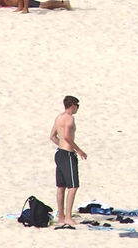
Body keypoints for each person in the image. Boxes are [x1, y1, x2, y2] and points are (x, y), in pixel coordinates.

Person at [50, 96, 86, 227]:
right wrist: (79, 150)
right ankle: (68, 217)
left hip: (59, 153)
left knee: (61, 186)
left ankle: (61, 216)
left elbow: (52, 136)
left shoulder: (59, 117)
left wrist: (62, 145)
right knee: (73, 186)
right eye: (77, 105)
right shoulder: (70, 119)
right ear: (72, 105)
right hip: (67, 155)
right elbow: (66, 136)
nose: (77, 108)